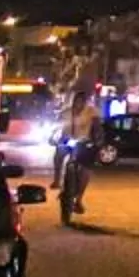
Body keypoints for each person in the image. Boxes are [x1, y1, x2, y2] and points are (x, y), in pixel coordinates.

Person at [58, 93, 103, 225]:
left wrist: (97, 140)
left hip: (84, 142)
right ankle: (57, 180)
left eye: (81, 102)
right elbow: (58, 126)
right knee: (58, 155)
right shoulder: (66, 112)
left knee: (85, 169)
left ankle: (79, 199)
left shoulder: (91, 112)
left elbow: (97, 126)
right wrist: (55, 138)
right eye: (77, 101)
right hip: (68, 141)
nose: (79, 104)